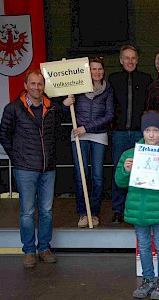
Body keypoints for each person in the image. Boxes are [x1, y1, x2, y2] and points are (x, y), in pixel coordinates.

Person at [0, 70, 71, 268]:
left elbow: (58, 134)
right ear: (25, 85)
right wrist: (17, 157)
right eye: (33, 84)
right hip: (25, 169)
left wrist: (67, 104)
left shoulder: (52, 108)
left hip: (48, 168)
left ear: (44, 86)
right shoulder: (13, 108)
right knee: (27, 212)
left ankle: (45, 248)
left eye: (40, 84)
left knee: (47, 210)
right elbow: (4, 136)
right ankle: (29, 251)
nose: (37, 87)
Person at [115, 110, 159, 299]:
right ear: (142, 132)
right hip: (138, 209)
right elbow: (119, 182)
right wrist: (126, 170)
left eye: (156, 131)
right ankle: (147, 279)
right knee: (143, 246)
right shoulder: (130, 154)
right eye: (148, 130)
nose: (151, 134)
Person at [63, 57, 114, 228]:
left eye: (100, 69)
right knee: (81, 176)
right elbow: (64, 112)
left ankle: (94, 213)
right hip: (78, 135)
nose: (97, 72)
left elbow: (109, 116)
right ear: (88, 71)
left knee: (98, 177)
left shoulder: (108, 90)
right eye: (93, 69)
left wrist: (87, 127)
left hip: (98, 135)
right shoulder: (76, 88)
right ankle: (83, 213)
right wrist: (65, 103)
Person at [108, 45, 153, 224]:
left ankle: (138, 210)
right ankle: (118, 210)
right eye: (126, 58)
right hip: (119, 133)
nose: (130, 61)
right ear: (120, 60)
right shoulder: (113, 79)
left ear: (137, 60)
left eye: (133, 58)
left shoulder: (145, 79)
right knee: (120, 171)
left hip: (138, 134)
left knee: (141, 173)